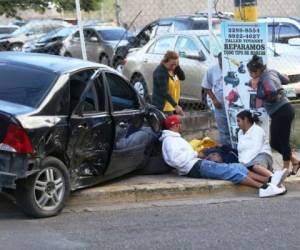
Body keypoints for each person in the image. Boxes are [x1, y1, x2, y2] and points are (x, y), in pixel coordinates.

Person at [160, 115, 288, 198]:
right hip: (195, 167)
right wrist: (195, 154)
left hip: (197, 163)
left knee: (237, 166)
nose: (181, 126)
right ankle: (263, 188)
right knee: (231, 172)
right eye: (180, 124)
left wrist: (201, 156)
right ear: (175, 125)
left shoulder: (173, 139)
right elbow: (176, 160)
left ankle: (269, 181)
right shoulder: (170, 141)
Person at [247, 55, 300, 174]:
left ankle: (285, 170)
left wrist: (261, 87)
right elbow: (286, 80)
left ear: (257, 71)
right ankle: (295, 161)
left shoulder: (265, 80)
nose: (250, 75)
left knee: (283, 141)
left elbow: (271, 93)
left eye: (250, 73)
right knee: (274, 143)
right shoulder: (271, 72)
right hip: (281, 111)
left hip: (282, 111)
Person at [237, 110, 289, 182]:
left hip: (262, 155)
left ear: (245, 120)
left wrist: (245, 163)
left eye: (238, 121)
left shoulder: (258, 130)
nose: (237, 124)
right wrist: (241, 163)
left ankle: (275, 178)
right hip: (247, 160)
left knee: (255, 166)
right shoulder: (240, 132)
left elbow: (256, 148)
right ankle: (270, 178)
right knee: (246, 172)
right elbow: (240, 151)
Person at [202, 52, 231, 146]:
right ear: (218, 60)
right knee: (223, 131)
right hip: (220, 105)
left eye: (224, 62)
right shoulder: (212, 70)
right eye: (220, 62)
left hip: (234, 105)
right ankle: (226, 151)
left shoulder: (233, 67)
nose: (222, 64)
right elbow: (206, 86)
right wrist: (214, 99)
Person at [152, 51, 185, 116]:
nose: (173, 66)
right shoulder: (160, 72)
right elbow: (164, 92)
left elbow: (182, 77)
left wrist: (178, 66)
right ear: (165, 61)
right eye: (172, 64)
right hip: (164, 107)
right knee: (170, 125)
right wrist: (176, 106)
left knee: (174, 125)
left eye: (175, 64)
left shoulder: (174, 69)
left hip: (172, 105)